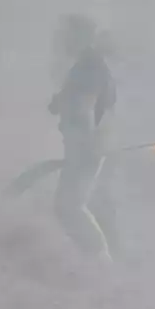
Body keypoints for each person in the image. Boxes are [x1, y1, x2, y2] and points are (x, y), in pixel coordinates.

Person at [49, 14, 120, 262]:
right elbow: (79, 100)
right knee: (67, 206)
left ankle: (101, 264)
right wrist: (60, 101)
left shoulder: (90, 66)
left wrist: (85, 146)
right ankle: (97, 261)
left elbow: (86, 107)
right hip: (85, 144)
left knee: (69, 206)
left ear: (78, 36)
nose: (60, 39)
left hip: (87, 145)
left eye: (66, 34)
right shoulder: (87, 64)